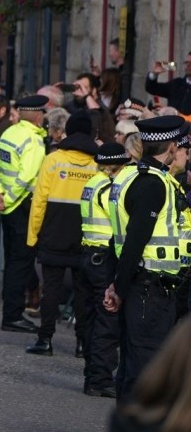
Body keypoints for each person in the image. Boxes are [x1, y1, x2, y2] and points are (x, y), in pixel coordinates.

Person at [104, 115, 189, 399]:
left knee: (134, 365)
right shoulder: (153, 184)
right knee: (145, 368)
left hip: (140, 284)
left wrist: (116, 283)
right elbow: (136, 240)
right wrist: (119, 287)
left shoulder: (131, 175)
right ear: (172, 147)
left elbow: (117, 239)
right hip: (149, 288)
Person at [24, 109, 99, 357]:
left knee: (51, 289)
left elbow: (39, 202)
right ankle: (81, 344)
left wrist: (33, 236)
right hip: (85, 235)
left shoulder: (53, 160)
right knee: (83, 292)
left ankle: (45, 339)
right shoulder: (97, 163)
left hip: (53, 232)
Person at [0, 95, 49, 333]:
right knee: (21, 263)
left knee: (14, 261)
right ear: (38, 116)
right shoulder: (33, 141)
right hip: (22, 205)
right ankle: (13, 315)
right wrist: (10, 199)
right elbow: (26, 177)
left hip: (6, 204)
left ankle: (12, 312)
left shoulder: (9, 134)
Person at [81, 137, 131, 398]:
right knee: (107, 320)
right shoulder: (110, 189)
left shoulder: (92, 183)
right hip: (103, 258)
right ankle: (100, 378)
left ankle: (92, 374)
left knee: (92, 318)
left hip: (89, 256)